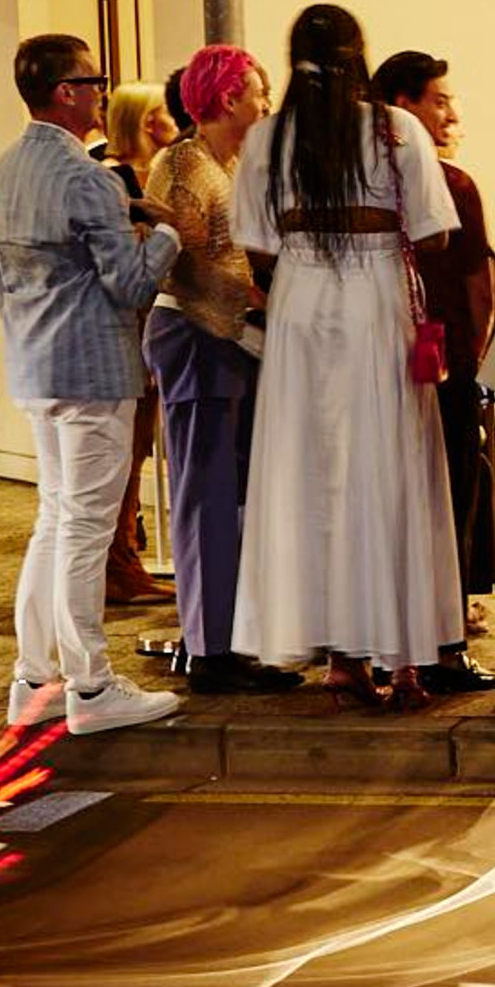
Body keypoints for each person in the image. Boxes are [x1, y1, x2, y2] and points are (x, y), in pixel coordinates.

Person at [230, 5, 475, 709]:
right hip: (375, 299)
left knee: (314, 476)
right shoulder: (394, 130)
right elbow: (432, 232)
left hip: (302, 303)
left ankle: (341, 658)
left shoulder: (268, 138)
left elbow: (258, 240)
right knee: (390, 470)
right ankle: (402, 659)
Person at [0, 31, 186, 736]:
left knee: (54, 519)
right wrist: (169, 235)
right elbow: (129, 284)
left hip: (36, 368)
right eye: (94, 80)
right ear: (66, 91)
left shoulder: (5, 172)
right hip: (94, 369)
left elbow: (0, 285)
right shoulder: (87, 178)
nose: (103, 91)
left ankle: (33, 675)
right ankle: (92, 685)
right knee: (85, 529)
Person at [146, 46, 297, 694]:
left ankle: (227, 637)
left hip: (226, 338)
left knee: (227, 493)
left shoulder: (226, 162)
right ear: (229, 96)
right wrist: (259, 300)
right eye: (258, 92)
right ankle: (210, 647)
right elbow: (181, 260)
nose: (266, 104)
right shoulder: (182, 162)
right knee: (204, 492)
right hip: (196, 335)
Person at [372, 49, 495, 687]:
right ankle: (443, 643)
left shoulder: (359, 179)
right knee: (448, 498)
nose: (453, 113)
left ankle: (383, 641)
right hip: (442, 362)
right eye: (440, 99)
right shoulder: (450, 184)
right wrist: (479, 357)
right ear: (405, 106)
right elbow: (476, 281)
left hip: (372, 364)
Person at [94, 79, 176, 607]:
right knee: (125, 452)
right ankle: (117, 563)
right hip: (129, 328)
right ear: (149, 120)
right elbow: (125, 266)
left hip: (149, 326)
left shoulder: (144, 176)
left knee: (137, 449)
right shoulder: (115, 181)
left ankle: (125, 558)